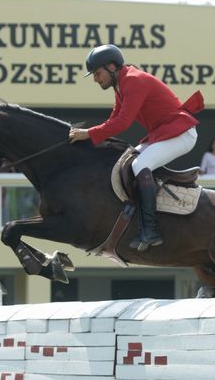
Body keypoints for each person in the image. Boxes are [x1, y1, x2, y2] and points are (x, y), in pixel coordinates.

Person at [68, 44, 204, 252]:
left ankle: (150, 231)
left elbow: (123, 123)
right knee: (126, 162)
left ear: (112, 66)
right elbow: (114, 118)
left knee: (140, 165)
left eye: (97, 73)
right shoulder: (121, 84)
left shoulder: (132, 81)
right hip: (165, 133)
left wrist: (89, 133)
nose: (95, 79)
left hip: (181, 134)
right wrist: (92, 137)